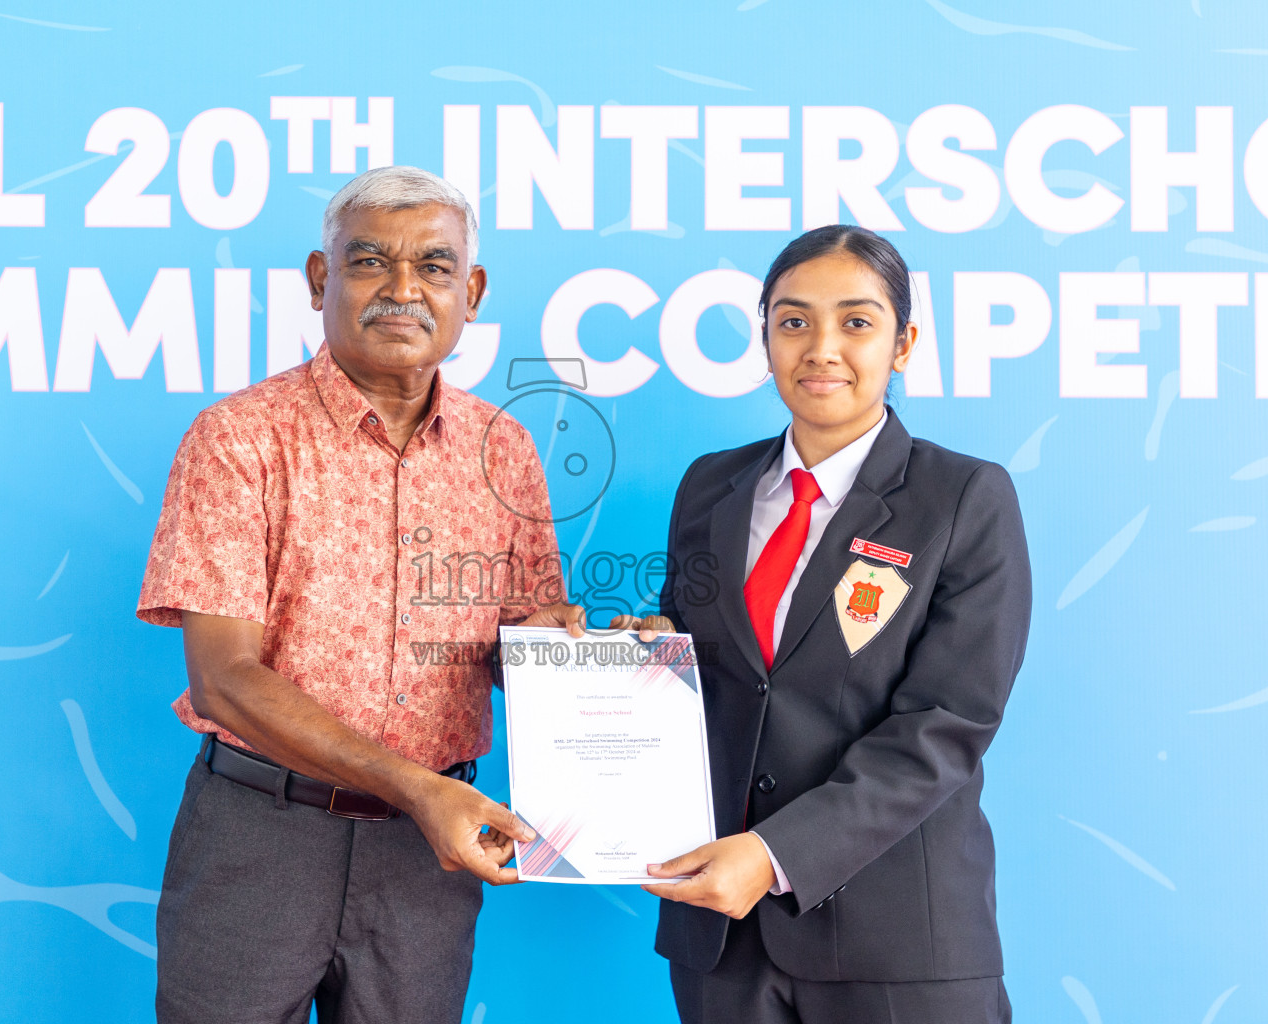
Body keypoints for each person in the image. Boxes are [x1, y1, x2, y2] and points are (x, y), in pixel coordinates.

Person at [136, 165, 585, 1024]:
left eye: (435, 266)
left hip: (428, 858)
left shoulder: (508, 449)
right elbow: (223, 677)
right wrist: (418, 788)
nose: (403, 289)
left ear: (473, 290)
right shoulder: (239, 439)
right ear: (320, 278)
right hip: (259, 837)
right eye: (371, 261)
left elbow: (509, 653)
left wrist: (575, 658)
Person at [619, 225, 1032, 1023]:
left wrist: (776, 856)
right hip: (721, 943)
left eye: (857, 321)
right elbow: (706, 676)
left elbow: (947, 723)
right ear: (766, 334)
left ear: (903, 342)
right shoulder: (710, 487)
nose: (822, 348)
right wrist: (629, 662)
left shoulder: (964, 498)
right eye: (794, 320)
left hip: (897, 944)